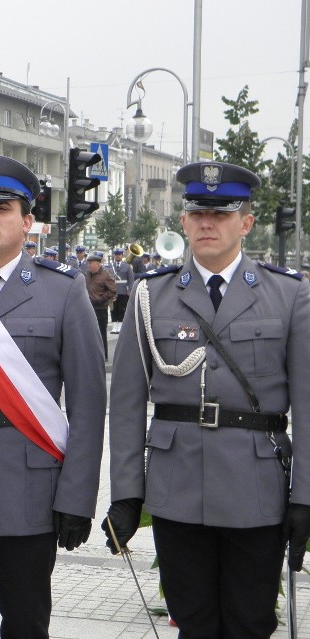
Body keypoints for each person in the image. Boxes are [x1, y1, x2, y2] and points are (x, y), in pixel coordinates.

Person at [103, 161, 310, 639]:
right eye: (197, 213)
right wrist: (127, 494)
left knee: (250, 623)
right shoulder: (151, 296)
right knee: (193, 623)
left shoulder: (288, 295)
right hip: (178, 492)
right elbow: (129, 406)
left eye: (222, 213)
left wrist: (305, 496)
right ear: (183, 221)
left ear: (247, 222)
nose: (208, 223)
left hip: (255, 492)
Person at [0, 155, 106, 639]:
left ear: (27, 221)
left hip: (29, 491)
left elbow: (89, 407)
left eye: (2, 207)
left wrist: (77, 497)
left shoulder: (64, 292)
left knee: (26, 624)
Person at [84, 251, 117, 360]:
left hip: (100, 308)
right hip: (89, 307)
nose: (89, 265)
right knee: (89, 332)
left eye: (91, 263)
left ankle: (104, 355)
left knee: (101, 332)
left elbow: (112, 290)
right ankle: (91, 354)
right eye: (88, 263)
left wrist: (101, 299)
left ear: (98, 264)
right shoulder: (87, 274)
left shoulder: (105, 274)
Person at [107, 247, 133, 334]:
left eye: (119, 255)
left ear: (122, 255)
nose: (117, 256)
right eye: (116, 255)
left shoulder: (127, 266)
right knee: (113, 309)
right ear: (114, 256)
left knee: (122, 309)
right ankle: (114, 327)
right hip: (113, 291)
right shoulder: (110, 266)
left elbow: (130, 279)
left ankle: (120, 326)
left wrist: (129, 290)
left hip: (123, 291)